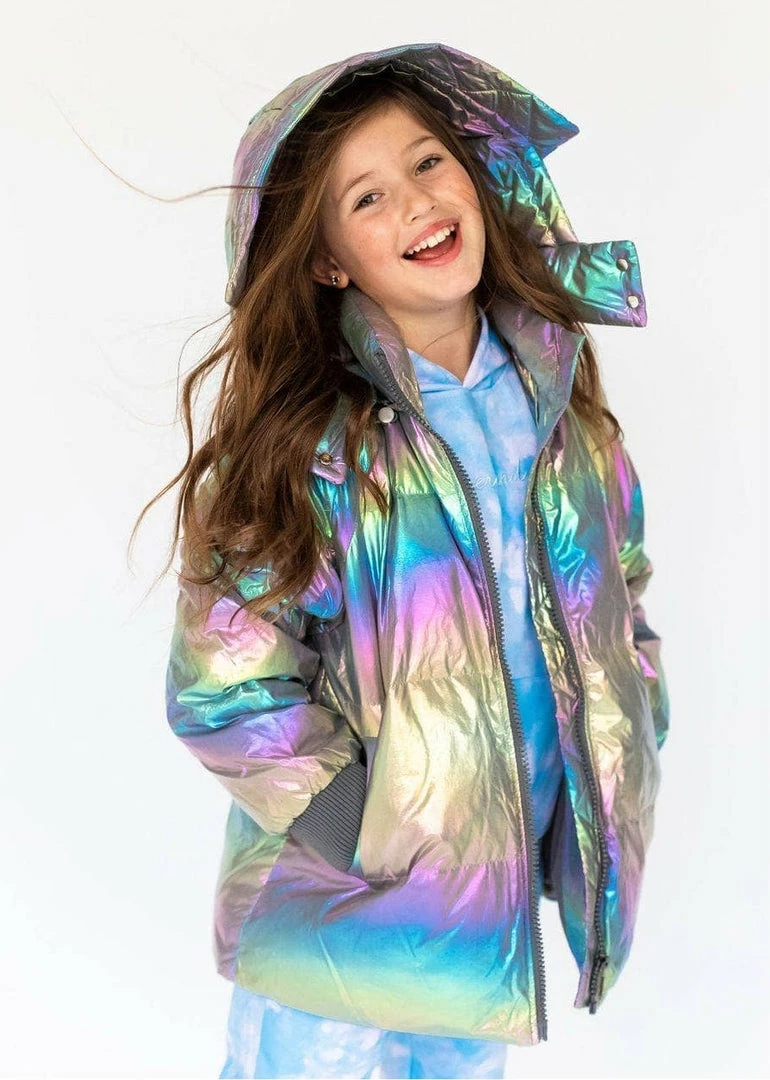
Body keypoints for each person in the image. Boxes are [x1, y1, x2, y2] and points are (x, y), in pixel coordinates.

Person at [160, 42, 670, 1080]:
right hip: (338, 930)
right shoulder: (310, 448)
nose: (417, 203)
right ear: (328, 260)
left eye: (429, 162)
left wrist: (626, 733)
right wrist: (351, 827)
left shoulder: (562, 414)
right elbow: (224, 677)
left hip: (488, 931)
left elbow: (622, 588)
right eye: (368, 196)